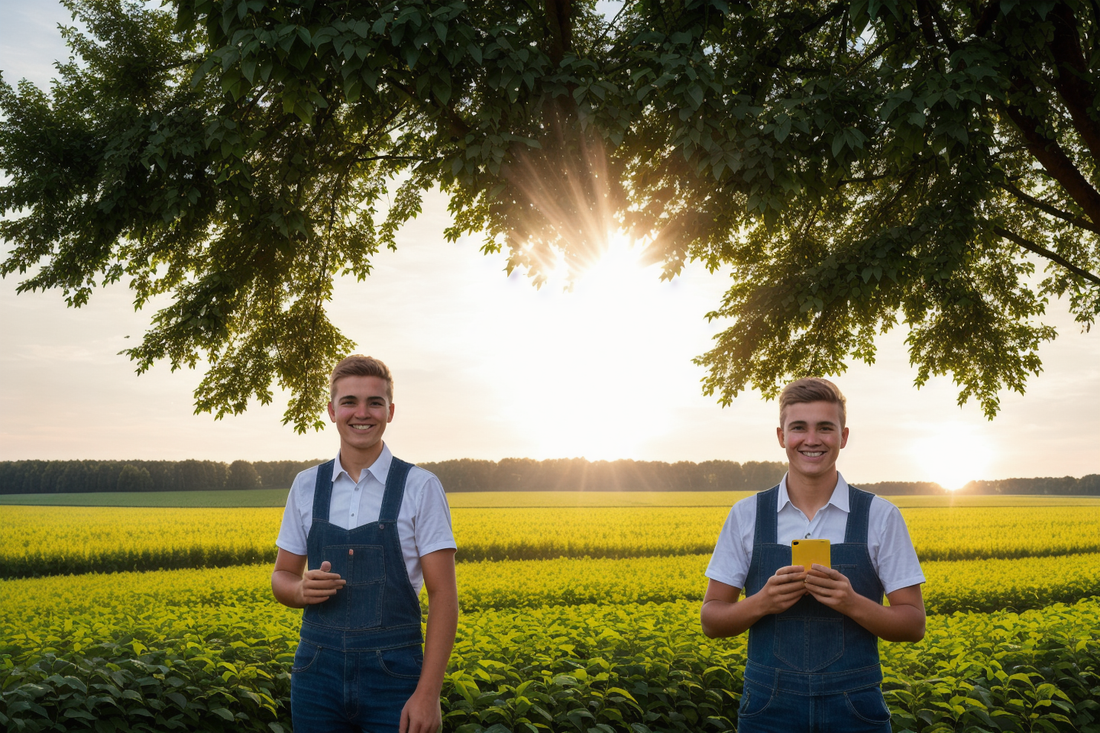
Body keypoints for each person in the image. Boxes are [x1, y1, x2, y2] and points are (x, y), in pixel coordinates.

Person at [701, 377, 925, 733]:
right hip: (768, 709)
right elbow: (711, 620)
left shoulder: (881, 516)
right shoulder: (746, 515)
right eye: (798, 428)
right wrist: (763, 602)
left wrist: (851, 602)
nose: (811, 439)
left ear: (843, 436)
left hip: (855, 708)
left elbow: (913, 624)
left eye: (825, 427)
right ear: (781, 436)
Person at [271, 355, 458, 733]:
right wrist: (300, 588)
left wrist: (428, 694)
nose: (362, 413)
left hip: (395, 677)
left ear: (390, 411)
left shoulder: (421, 487)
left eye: (374, 402)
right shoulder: (306, 486)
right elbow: (282, 576)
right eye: (349, 402)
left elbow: (444, 596)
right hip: (315, 675)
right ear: (331, 411)